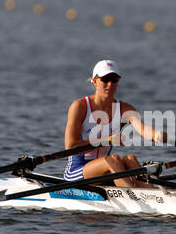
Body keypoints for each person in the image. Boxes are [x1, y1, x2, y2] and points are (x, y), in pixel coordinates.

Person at [64, 60, 166, 188]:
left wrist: (158, 135)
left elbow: (143, 129)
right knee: (113, 159)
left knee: (130, 159)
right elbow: (70, 146)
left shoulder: (124, 109)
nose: (110, 84)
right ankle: (133, 197)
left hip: (106, 171)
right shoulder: (79, 106)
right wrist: (106, 140)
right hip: (77, 172)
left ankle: (152, 197)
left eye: (114, 79)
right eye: (105, 79)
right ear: (94, 81)